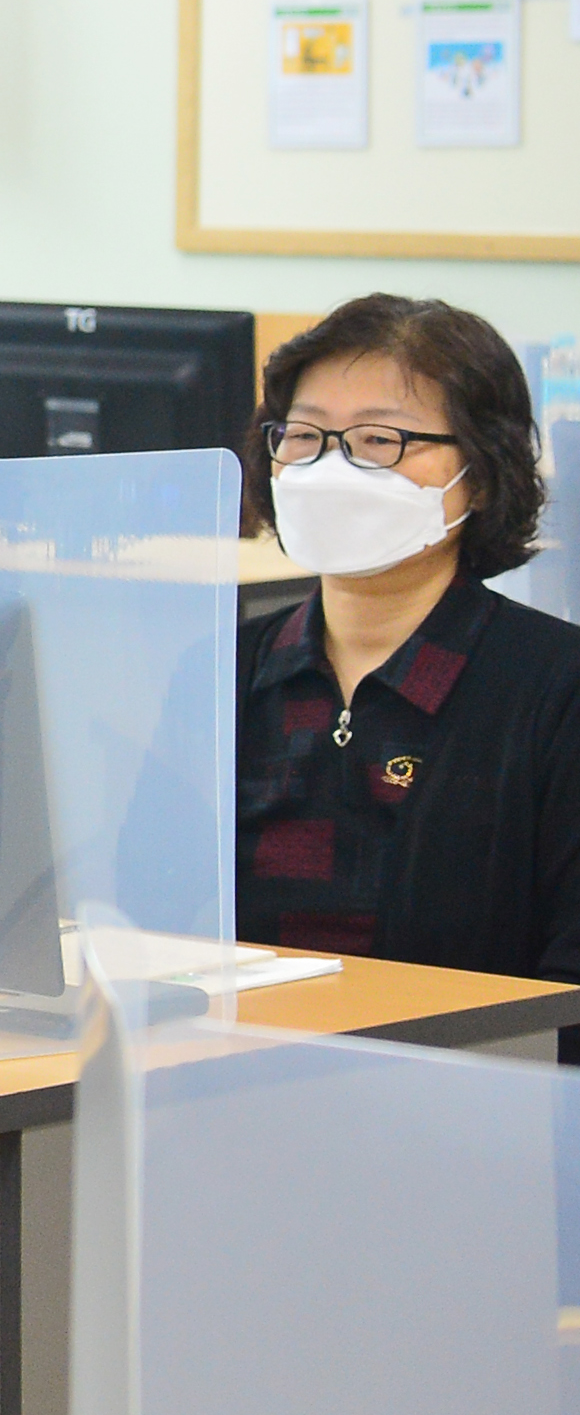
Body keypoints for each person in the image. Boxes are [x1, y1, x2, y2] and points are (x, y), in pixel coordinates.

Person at [237, 295, 580, 992]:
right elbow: (139, 930)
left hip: (467, 1085)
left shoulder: (556, 690)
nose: (330, 468)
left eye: (379, 440)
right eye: (304, 436)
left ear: (479, 475)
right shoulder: (222, 670)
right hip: (227, 1076)